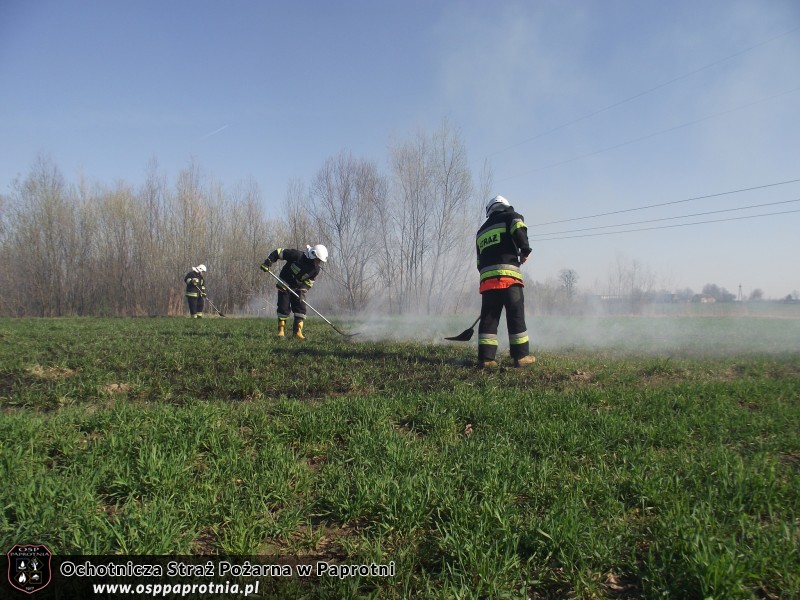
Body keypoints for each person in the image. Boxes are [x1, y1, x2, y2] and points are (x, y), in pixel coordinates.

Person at [475, 196, 535, 368]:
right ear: (506, 206)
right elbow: (519, 229)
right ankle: (521, 356)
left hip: (488, 282)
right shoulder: (511, 216)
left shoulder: (481, 231)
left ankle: (486, 359)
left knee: (489, 318)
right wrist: (524, 251)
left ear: (489, 210)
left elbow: (479, 262)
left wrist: (488, 275)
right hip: (509, 279)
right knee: (515, 315)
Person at [260, 245, 328, 339]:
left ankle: (297, 332)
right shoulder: (296, 255)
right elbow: (279, 252)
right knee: (283, 307)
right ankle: (281, 331)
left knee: (301, 308)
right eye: (317, 259)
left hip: (298, 288)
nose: (318, 262)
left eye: (320, 261)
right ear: (313, 255)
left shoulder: (315, 270)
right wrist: (268, 262)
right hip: (284, 283)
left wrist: (303, 290)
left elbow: (309, 282)